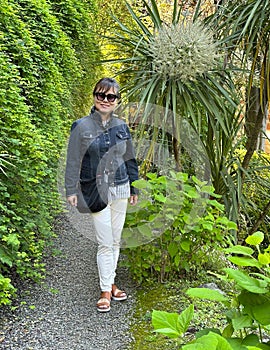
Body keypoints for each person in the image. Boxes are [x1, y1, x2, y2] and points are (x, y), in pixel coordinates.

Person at [65, 77, 139, 313]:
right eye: (101, 95)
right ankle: (105, 291)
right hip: (95, 189)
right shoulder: (81, 126)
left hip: (121, 187)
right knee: (105, 242)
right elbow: (73, 160)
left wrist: (134, 187)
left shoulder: (122, 127)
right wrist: (71, 189)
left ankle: (111, 282)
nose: (105, 100)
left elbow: (130, 158)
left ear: (117, 101)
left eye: (111, 97)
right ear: (94, 96)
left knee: (115, 241)